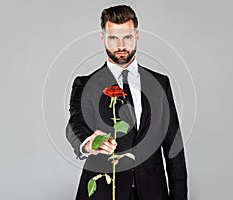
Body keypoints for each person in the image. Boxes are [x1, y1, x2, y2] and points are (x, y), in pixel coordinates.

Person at [66, 5, 188, 200]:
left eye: (127, 37)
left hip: (152, 191)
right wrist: (87, 143)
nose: (121, 45)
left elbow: (174, 147)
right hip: (103, 193)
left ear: (136, 36)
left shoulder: (160, 83)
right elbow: (75, 124)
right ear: (102, 38)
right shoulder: (85, 84)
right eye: (113, 38)